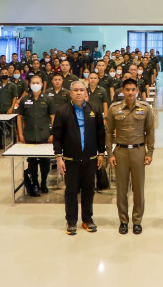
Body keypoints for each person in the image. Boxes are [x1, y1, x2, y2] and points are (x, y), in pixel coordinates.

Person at [53, 81, 106, 235]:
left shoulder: (94, 110)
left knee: (89, 190)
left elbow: (101, 134)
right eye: (75, 90)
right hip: (70, 160)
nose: (78, 93)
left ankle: (87, 219)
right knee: (71, 191)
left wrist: (101, 153)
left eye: (82, 90)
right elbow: (57, 137)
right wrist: (59, 157)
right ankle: (71, 222)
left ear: (86, 93)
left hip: (90, 159)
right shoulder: (62, 111)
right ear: (70, 93)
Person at [106, 78, 155, 235]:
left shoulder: (145, 108)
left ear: (137, 91)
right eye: (127, 89)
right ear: (122, 91)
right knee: (121, 189)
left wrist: (150, 152)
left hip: (138, 151)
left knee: (138, 188)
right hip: (120, 151)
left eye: (133, 89)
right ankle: (123, 220)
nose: (130, 92)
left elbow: (150, 131)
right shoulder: (114, 109)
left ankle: (137, 220)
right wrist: (109, 154)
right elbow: (108, 132)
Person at [17, 75, 55, 196]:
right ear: (29, 84)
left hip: (44, 135)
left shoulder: (48, 99)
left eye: (37, 82)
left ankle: (44, 182)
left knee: (45, 162)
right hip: (29, 135)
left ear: (42, 84)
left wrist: (53, 133)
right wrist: (21, 134)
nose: (35, 85)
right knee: (32, 161)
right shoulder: (24, 99)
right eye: (33, 83)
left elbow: (53, 117)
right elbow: (19, 117)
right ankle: (34, 184)